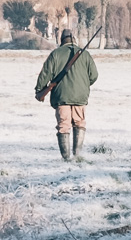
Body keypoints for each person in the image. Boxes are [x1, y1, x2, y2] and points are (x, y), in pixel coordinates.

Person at [34, 29, 98, 161]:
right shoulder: (85, 54)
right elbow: (94, 75)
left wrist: (40, 89)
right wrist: (83, 86)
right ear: (73, 39)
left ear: (61, 40)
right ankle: (77, 155)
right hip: (80, 96)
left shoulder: (55, 54)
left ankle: (66, 158)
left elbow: (45, 74)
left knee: (64, 125)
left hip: (61, 96)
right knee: (79, 123)